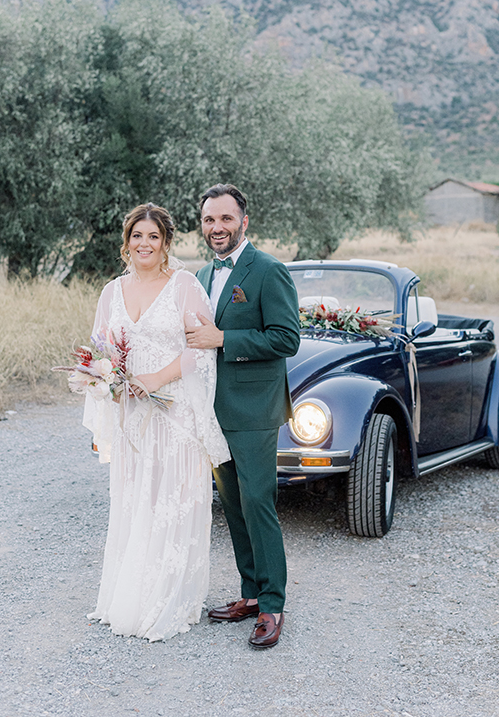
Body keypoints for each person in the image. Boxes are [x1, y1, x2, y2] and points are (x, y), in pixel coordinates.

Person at [83, 203, 230, 642]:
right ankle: (130, 596)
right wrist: (106, 380)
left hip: (175, 411)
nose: (144, 244)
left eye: (153, 236)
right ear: (126, 242)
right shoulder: (111, 292)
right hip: (132, 413)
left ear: (166, 242)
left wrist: (156, 379)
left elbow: (201, 348)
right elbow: (101, 350)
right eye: (137, 236)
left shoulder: (184, 286)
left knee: (174, 498)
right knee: (136, 498)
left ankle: (170, 598)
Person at [186, 183, 300, 649]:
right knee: (232, 505)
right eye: (209, 219)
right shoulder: (199, 275)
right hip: (211, 409)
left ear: (244, 222)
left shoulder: (268, 270)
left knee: (257, 502)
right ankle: (250, 594)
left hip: (253, 409)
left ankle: (273, 604)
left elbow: (286, 338)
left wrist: (225, 340)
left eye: (225, 219)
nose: (217, 227)